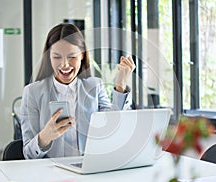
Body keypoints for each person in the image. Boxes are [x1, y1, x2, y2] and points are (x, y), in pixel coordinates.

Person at [20, 23, 135, 159]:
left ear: (82, 55)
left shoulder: (95, 86)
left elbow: (114, 126)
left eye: (72, 57)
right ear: (49, 57)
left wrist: (120, 84)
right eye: (57, 57)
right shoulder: (32, 92)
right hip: (50, 174)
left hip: (89, 171)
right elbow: (28, 154)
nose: (64, 65)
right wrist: (44, 137)